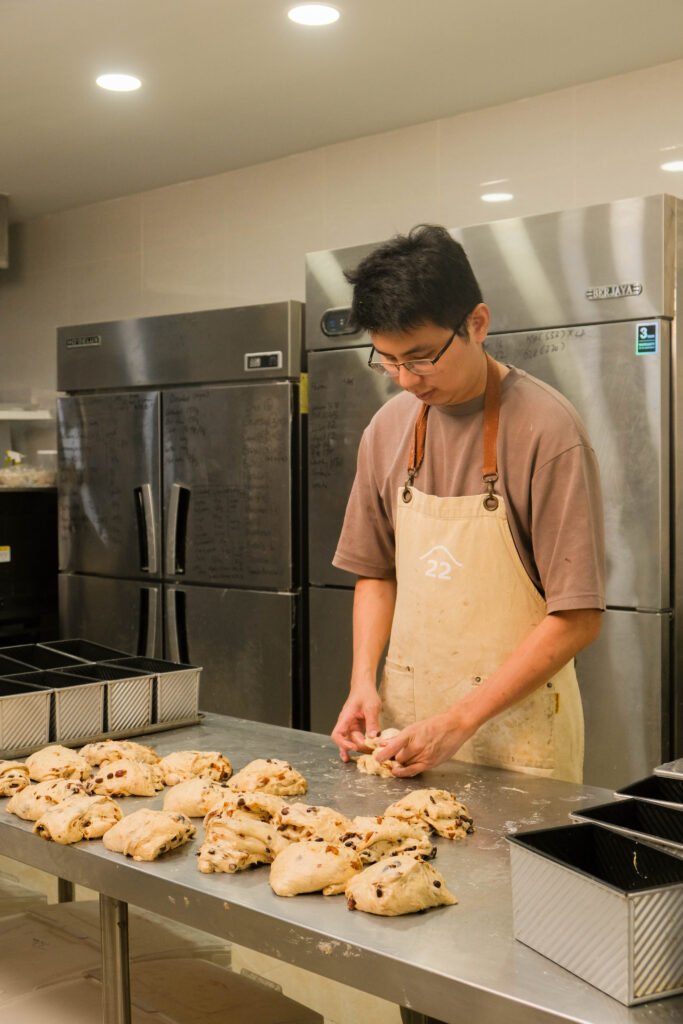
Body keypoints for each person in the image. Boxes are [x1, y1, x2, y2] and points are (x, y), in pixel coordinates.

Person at [330, 224, 605, 784]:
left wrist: (460, 721)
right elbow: (376, 574)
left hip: (521, 737)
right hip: (407, 732)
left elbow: (576, 617)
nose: (405, 379)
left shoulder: (547, 431)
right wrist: (363, 680)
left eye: (421, 357)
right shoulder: (386, 430)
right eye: (386, 360)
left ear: (476, 324)